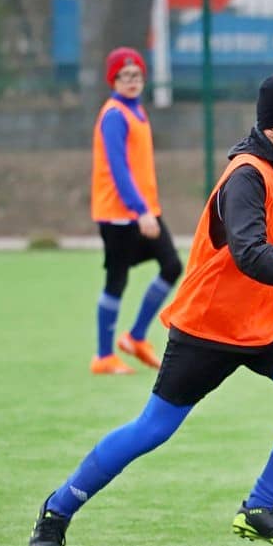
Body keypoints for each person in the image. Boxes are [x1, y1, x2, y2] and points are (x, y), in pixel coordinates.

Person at [29, 72, 273, 546]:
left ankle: (262, 506)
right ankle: (57, 510)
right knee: (152, 429)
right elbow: (250, 253)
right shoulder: (246, 176)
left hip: (269, 324)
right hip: (210, 326)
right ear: (271, 128)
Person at [90, 46, 183, 375]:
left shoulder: (136, 111)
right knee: (116, 280)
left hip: (144, 210)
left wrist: (147, 209)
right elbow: (118, 168)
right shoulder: (115, 115)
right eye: (124, 75)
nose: (132, 80)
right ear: (113, 80)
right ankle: (103, 356)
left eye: (137, 75)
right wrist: (140, 209)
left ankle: (136, 337)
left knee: (171, 266)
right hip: (120, 213)